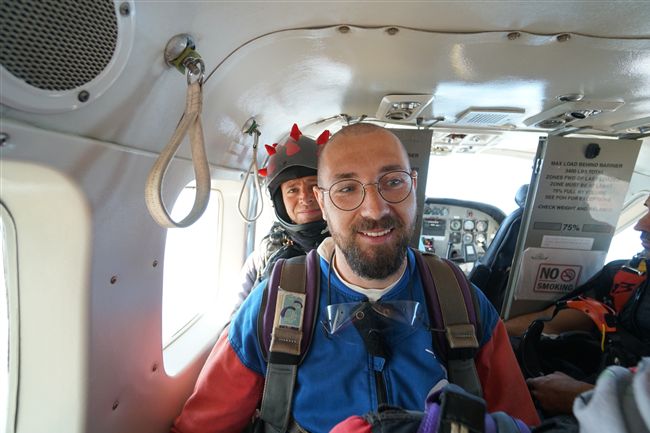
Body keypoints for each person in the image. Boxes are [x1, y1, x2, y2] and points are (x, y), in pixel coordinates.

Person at [170, 123, 539, 433]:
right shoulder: (272, 306)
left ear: (413, 186)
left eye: (392, 182)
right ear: (322, 202)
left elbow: (522, 422)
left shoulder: (460, 301)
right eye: (347, 188)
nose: (375, 210)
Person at [505, 193, 650, 415]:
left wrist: (581, 396)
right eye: (647, 210)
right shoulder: (627, 275)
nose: (640, 225)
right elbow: (573, 315)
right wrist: (494, 332)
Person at [237, 124, 329, 307]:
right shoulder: (262, 257)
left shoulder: (352, 246)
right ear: (279, 200)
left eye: (313, 185)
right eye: (293, 190)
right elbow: (237, 319)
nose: (305, 198)